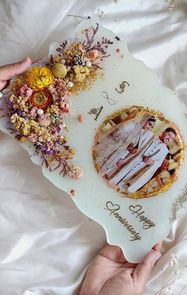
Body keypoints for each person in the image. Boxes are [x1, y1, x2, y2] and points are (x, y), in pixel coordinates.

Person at [0, 59, 163, 295]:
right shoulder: (132, 127)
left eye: (150, 126)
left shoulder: (148, 140)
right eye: (146, 124)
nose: (147, 127)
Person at [110, 127, 176, 194]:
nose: (169, 138)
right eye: (169, 135)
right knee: (116, 176)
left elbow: (158, 164)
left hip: (141, 168)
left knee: (123, 185)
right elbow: (135, 143)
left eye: (172, 138)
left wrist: (152, 162)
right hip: (132, 161)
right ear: (164, 132)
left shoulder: (165, 150)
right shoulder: (150, 135)